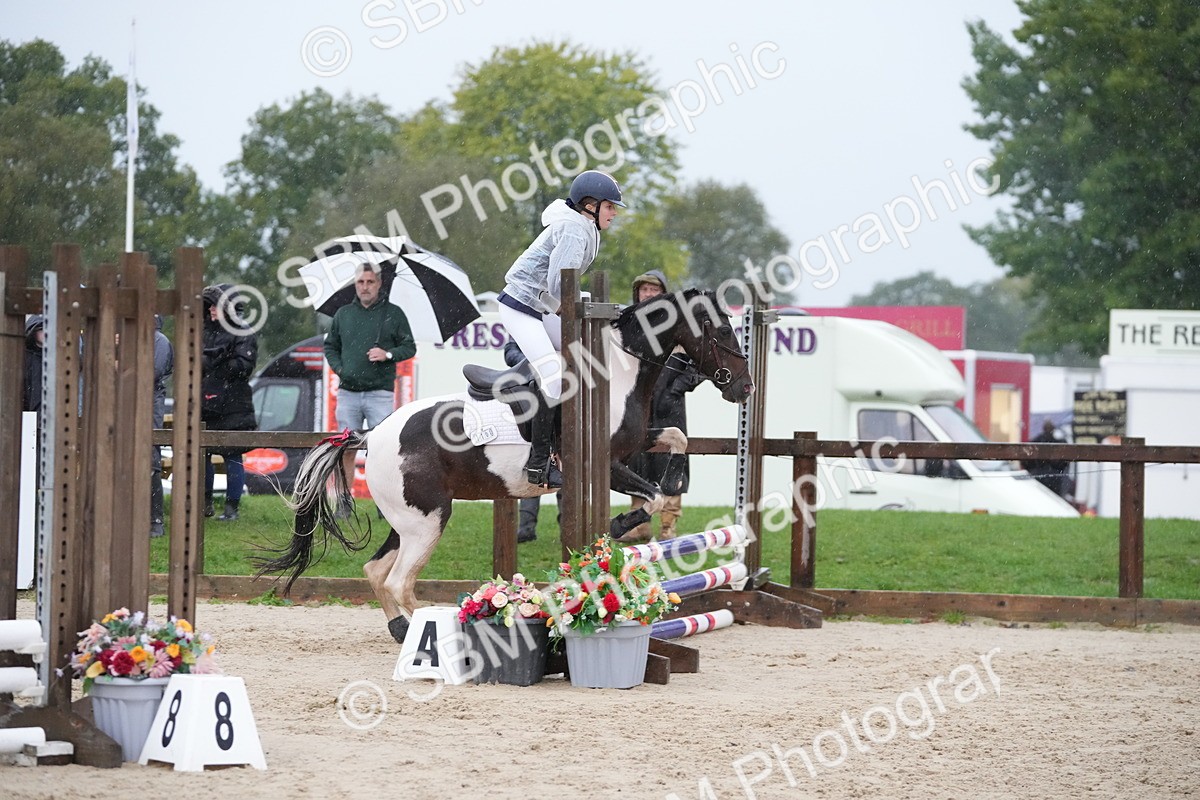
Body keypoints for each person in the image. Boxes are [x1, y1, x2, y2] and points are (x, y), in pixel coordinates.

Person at [498, 169, 624, 489]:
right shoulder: (573, 230)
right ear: (590, 205)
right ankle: (539, 463)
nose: (614, 213)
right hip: (521, 307)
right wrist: (584, 305)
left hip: (542, 304)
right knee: (554, 378)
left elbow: (561, 291)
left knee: (588, 355)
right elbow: (559, 285)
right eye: (610, 206)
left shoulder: (584, 225)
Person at [323, 262, 416, 506]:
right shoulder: (343, 314)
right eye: (361, 282)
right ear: (355, 285)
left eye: (370, 282)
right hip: (348, 393)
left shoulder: (393, 313)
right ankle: (344, 501)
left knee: (382, 451)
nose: (365, 287)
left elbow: (409, 347)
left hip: (380, 393)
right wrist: (340, 369)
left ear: (379, 283)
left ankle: (385, 504)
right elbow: (330, 346)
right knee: (346, 448)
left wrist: (387, 354)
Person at [624, 271, 703, 542]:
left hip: (670, 407)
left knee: (671, 463)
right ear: (637, 294)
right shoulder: (629, 325)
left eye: (654, 289)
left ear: (663, 294)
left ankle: (668, 526)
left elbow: (699, 364)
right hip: (637, 405)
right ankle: (638, 524)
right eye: (644, 289)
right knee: (635, 461)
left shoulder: (679, 325)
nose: (648, 294)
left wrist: (676, 389)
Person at [202, 284, 259, 522]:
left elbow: (244, 366)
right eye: (209, 306)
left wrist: (217, 361)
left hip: (234, 403)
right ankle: (204, 504)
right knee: (202, 451)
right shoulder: (203, 331)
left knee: (233, 453)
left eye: (215, 305)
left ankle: (231, 508)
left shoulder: (243, 330)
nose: (211, 310)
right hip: (206, 401)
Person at [503, 338, 560, 543]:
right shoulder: (528, 325)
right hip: (531, 391)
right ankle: (526, 527)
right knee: (534, 462)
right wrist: (533, 363)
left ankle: (568, 525)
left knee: (565, 462)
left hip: (564, 391)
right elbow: (510, 351)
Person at [151, 315, 174, 538]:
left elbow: (154, 372)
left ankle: (155, 519)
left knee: (151, 460)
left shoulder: (159, 341)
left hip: (151, 403)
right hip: (132, 400)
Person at [1025, 419, 1070, 499]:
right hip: (1052, 477)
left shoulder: (1037, 441)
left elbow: (1026, 460)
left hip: (1043, 476)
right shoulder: (1057, 442)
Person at [22, 315, 45, 420]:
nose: (46, 333)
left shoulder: (54, 357)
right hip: (28, 412)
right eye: (41, 329)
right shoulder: (24, 356)